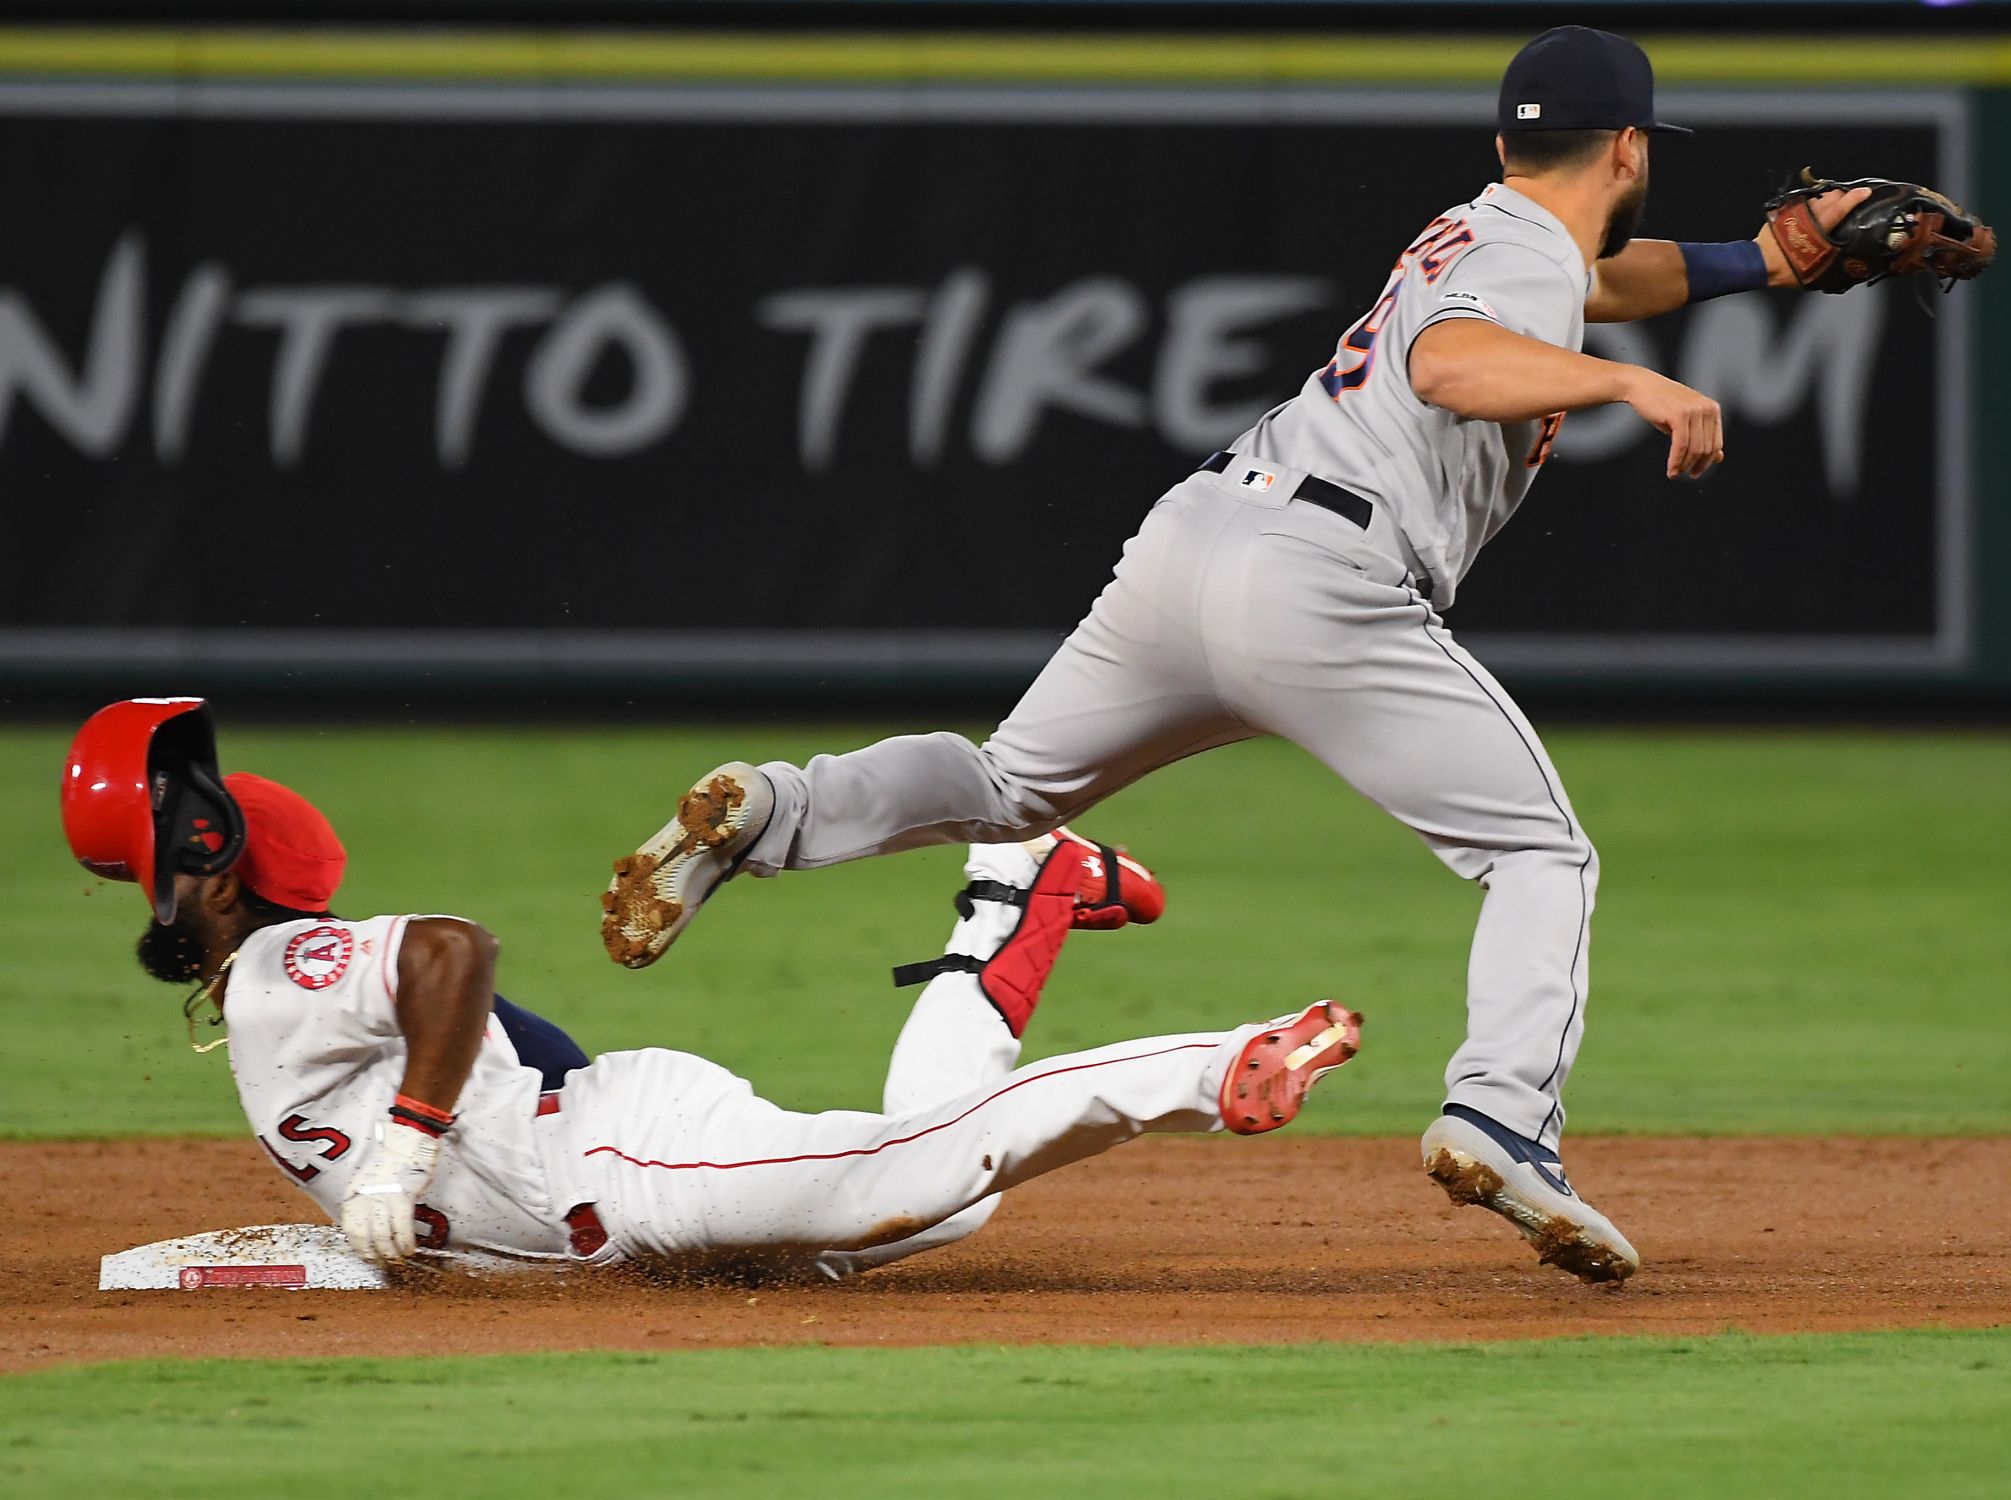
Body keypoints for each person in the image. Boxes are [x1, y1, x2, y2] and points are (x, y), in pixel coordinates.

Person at [601, 27, 1885, 1285]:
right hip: (1321, 582)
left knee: (1010, 794)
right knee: (1537, 853)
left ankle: (776, 809)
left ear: (1507, 140)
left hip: (1199, 536)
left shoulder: (1497, 230)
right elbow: (1447, 364)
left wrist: (1759, 263)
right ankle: (1500, 1119)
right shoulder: (1514, 258)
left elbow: (1609, 280)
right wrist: (1629, 389)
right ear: (1628, 148)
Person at [61, 697, 1359, 1276]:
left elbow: (450, 951)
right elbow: (515, 1033)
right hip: (604, 1168)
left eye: (156, 863)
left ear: (217, 869)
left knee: (899, 1179)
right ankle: (1021, 896)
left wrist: (405, 1152)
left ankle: (1220, 1060)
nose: (151, 885)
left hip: (626, 1164)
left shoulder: (287, 964)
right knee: (935, 1203)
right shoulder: (271, 993)